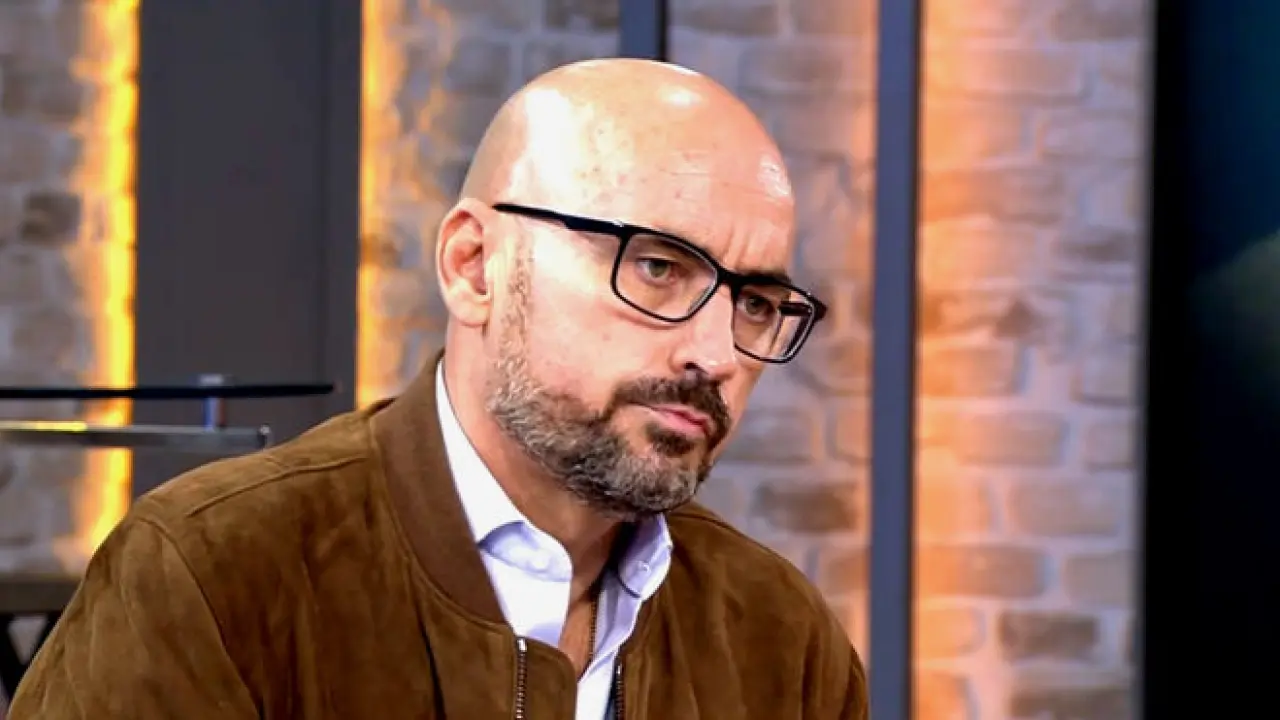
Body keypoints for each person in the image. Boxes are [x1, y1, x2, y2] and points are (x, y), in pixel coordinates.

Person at [9, 58, 866, 719]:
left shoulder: (777, 634)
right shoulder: (214, 575)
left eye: (756, 303)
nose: (716, 353)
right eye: (657, 267)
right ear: (474, 266)